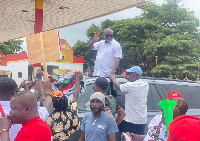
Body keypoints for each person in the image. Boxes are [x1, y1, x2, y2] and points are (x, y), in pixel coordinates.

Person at [0, 75, 52, 141]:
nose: (9, 112)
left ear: (27, 109)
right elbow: (47, 107)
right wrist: (48, 92)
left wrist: (4, 130)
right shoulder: (30, 125)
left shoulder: (32, 131)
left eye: (13, 108)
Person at [121, 92, 188, 141]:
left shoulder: (182, 131)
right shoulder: (157, 119)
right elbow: (152, 136)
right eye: (163, 114)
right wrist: (135, 137)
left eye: (166, 116)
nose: (163, 118)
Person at [109, 66, 149, 135]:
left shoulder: (130, 86)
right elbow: (135, 84)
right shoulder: (145, 84)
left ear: (136, 75)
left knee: (127, 138)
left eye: (130, 73)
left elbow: (118, 87)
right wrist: (130, 78)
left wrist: (113, 78)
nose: (128, 75)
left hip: (131, 121)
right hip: (142, 121)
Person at [46, 74, 83, 141]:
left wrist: (47, 90)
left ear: (53, 104)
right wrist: (78, 81)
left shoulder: (49, 116)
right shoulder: (72, 111)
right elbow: (75, 96)